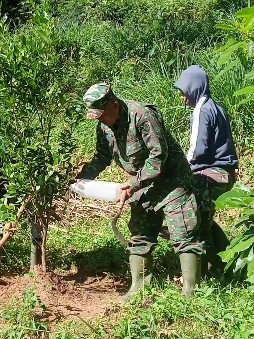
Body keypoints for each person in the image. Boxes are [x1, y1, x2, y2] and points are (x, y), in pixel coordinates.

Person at [77, 82, 205, 298]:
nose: (99, 120)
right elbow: (102, 157)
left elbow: (158, 156)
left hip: (173, 181)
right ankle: (139, 287)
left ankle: (190, 292)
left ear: (114, 106)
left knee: (184, 233)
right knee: (140, 234)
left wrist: (133, 184)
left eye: (101, 114)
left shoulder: (142, 115)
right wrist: (82, 179)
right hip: (143, 184)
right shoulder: (104, 127)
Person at [174, 65, 239, 273]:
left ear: (194, 88)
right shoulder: (216, 107)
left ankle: (208, 270)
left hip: (212, 174)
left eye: (184, 92)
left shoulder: (202, 110)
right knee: (205, 220)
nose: (183, 98)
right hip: (225, 173)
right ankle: (222, 266)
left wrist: (180, 169)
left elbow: (197, 150)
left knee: (193, 221)